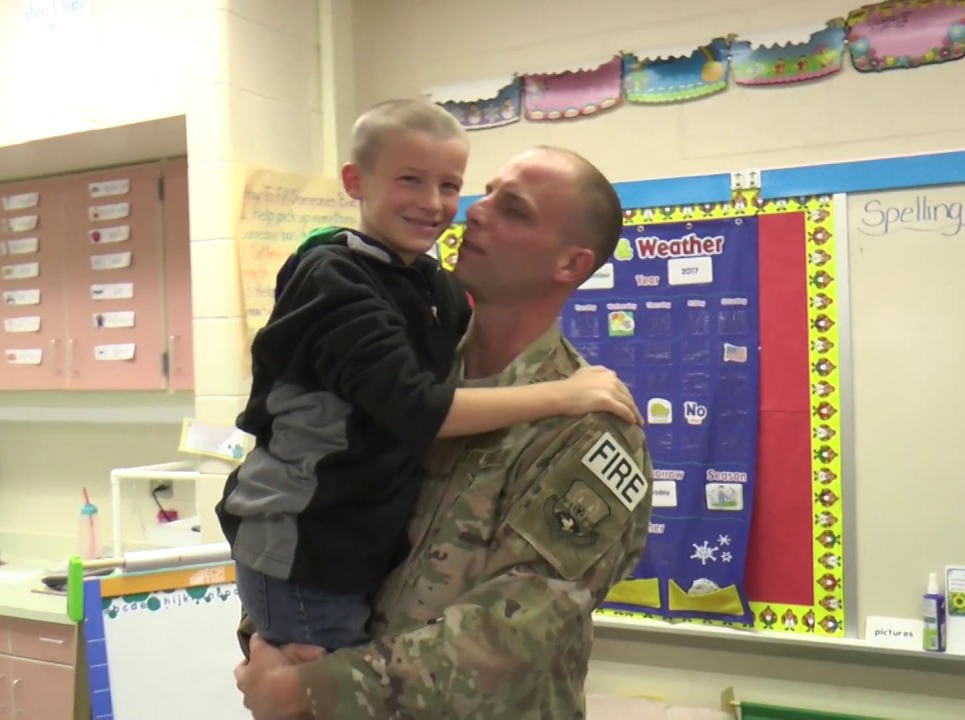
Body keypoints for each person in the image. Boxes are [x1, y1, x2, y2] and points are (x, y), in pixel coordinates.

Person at [233, 145, 654, 719]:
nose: (475, 211)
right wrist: (273, 640)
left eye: (513, 210)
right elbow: (294, 492)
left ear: (570, 265)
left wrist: (311, 688)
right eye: (486, 193)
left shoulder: (586, 429)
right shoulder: (400, 374)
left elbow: (512, 638)